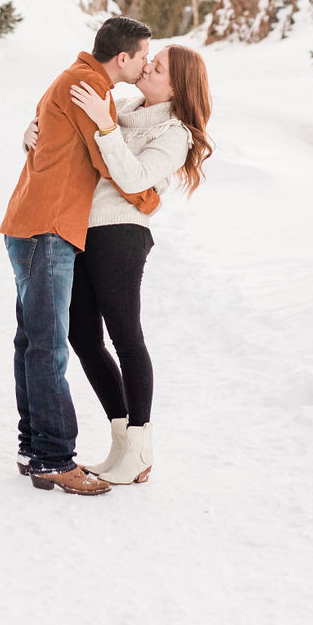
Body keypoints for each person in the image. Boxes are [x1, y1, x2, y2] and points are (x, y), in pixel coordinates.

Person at [0, 15, 157, 497]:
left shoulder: (72, 79)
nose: (146, 65)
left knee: (32, 342)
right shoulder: (90, 85)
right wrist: (149, 200)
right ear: (123, 57)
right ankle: (53, 459)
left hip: (30, 223)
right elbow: (107, 160)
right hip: (48, 228)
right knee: (47, 346)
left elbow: (46, 141)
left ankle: (33, 448)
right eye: (144, 57)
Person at [64, 44, 212, 486]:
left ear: (176, 85)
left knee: (126, 337)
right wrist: (31, 134)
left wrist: (107, 126)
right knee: (82, 335)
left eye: (159, 66)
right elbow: (75, 147)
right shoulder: (124, 106)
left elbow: (132, 179)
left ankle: (140, 448)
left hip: (123, 234)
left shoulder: (175, 133)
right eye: (152, 59)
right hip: (84, 229)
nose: (147, 66)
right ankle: (122, 439)